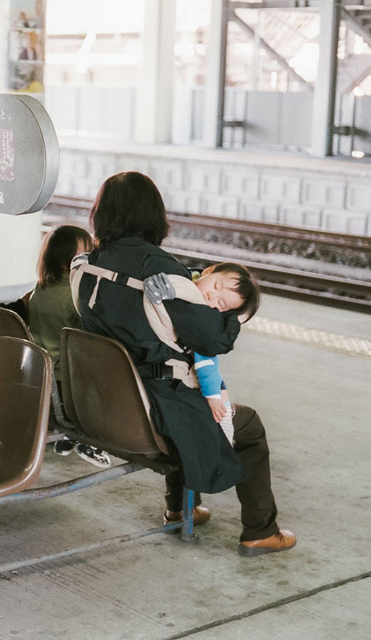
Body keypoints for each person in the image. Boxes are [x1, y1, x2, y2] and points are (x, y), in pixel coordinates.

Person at [71, 171, 295, 557]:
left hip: (102, 403)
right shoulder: (163, 270)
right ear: (155, 215)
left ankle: (181, 507)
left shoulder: (86, 265)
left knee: (173, 383)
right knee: (247, 425)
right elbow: (212, 338)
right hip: (152, 410)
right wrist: (235, 315)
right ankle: (261, 530)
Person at [143, 262, 261, 445]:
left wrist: (214, 397)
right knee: (234, 417)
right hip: (190, 385)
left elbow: (208, 365)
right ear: (207, 271)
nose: (210, 296)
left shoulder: (201, 319)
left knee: (224, 413)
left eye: (220, 304)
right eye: (216, 286)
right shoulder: (187, 292)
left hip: (210, 382)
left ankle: (227, 437)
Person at [27, 225, 92, 362]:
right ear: (64, 255)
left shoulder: (41, 287)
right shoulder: (75, 293)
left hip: (38, 366)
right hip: (65, 371)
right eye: (87, 251)